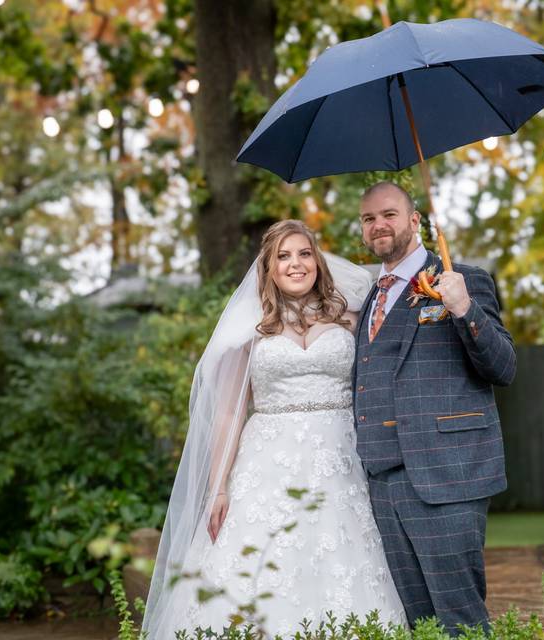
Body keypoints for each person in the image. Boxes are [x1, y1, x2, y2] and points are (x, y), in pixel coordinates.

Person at [142, 220, 406, 639]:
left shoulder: (350, 316)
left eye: (304, 254)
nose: (295, 264)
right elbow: (228, 413)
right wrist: (219, 488)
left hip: (339, 458)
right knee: (261, 564)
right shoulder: (249, 329)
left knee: (340, 559)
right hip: (266, 462)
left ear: (317, 262)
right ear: (268, 268)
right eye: (283, 256)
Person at [353, 182, 516, 634]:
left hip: (448, 474)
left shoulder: (462, 280)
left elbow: (503, 368)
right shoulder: (369, 297)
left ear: (414, 220)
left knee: (460, 618)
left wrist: (463, 308)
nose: (378, 225)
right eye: (368, 219)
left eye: (388, 214)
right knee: (417, 622)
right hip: (383, 482)